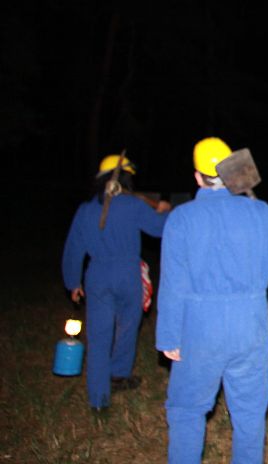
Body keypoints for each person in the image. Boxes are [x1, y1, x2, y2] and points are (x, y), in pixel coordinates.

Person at [156, 137, 268, 463]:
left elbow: (173, 283)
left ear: (197, 177)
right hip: (250, 326)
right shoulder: (262, 212)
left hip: (199, 328)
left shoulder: (182, 218)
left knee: (187, 411)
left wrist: (169, 336)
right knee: (249, 413)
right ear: (233, 170)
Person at [62, 153, 171, 412]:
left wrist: (73, 282)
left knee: (99, 338)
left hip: (97, 276)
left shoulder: (86, 209)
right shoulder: (132, 205)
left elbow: (73, 248)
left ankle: (99, 399)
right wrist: (165, 211)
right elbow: (159, 228)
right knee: (128, 326)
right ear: (125, 178)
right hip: (127, 274)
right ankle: (119, 374)